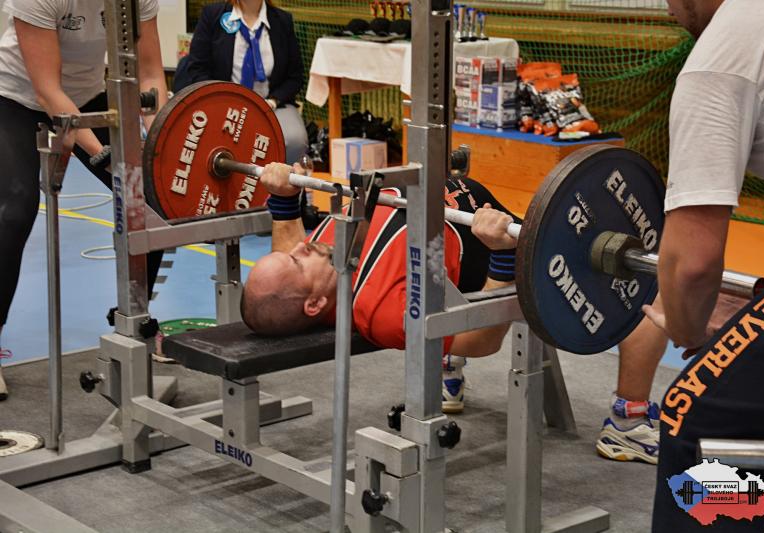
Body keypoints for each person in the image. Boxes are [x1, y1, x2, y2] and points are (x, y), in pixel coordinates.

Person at [614, 0, 764, 530]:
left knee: (697, 416)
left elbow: (692, 263)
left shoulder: (723, 55)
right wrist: (763, 305)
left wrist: (690, 330)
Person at [242, 163, 521, 413]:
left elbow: (285, 264)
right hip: (489, 230)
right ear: (314, 304)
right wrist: (505, 256)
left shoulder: (320, 263)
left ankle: (446, 362)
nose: (300, 247)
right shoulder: (381, 312)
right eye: (296, 261)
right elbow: (480, 340)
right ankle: (446, 360)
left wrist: (284, 200)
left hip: (433, 182)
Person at [0, 0, 168, 401]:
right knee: (14, 210)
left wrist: (164, 143)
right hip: (18, 97)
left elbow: (150, 75)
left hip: (89, 95)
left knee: (151, 200)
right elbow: (48, 91)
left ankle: (132, 325)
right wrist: (105, 156)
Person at [174, 0, 308, 165]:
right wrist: (222, 103)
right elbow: (197, 69)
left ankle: (279, 182)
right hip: (222, 104)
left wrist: (273, 101)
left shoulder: (282, 21)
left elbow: (295, 77)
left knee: (295, 140)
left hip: (271, 105)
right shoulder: (213, 15)